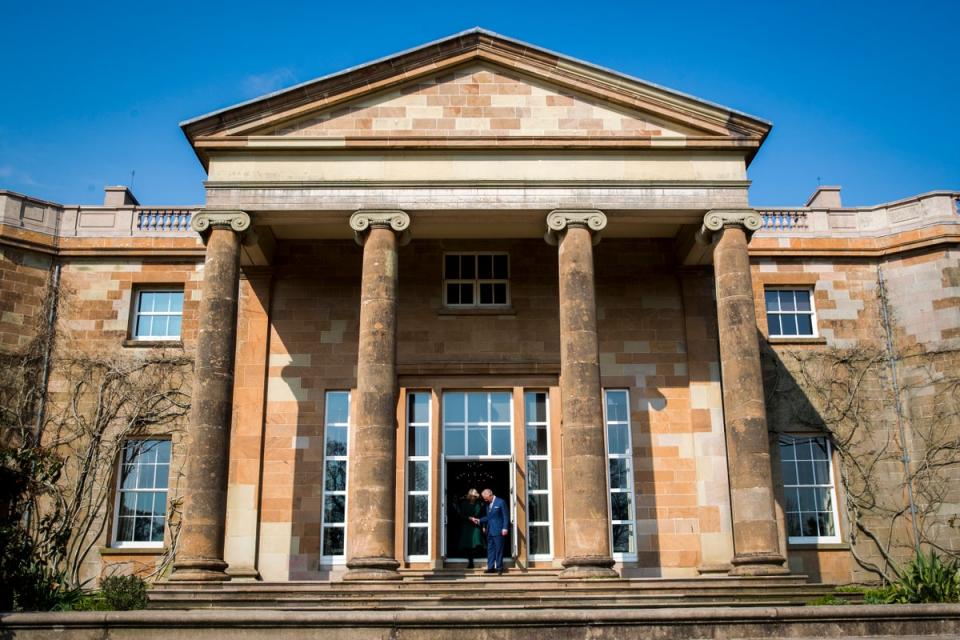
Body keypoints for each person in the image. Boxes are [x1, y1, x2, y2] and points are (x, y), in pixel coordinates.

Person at [470, 488, 509, 575]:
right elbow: (488, 517)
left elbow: (505, 516)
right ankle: (490, 567)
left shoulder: (500, 502)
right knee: (490, 550)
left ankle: (499, 568)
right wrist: (478, 520)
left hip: (499, 531)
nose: (485, 499)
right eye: (484, 498)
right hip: (490, 531)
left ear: (490, 495)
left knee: (499, 550)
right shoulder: (488, 505)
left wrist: (505, 528)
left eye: (486, 497)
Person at [454, 488, 484, 568]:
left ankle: (477, 558)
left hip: (475, 525)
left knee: (477, 542)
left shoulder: (478, 504)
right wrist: (469, 518)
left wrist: (478, 521)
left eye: (475, 496)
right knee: (468, 544)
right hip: (466, 526)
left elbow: (480, 514)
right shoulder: (464, 504)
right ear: (470, 496)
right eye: (473, 496)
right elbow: (461, 515)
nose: (474, 498)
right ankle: (471, 562)